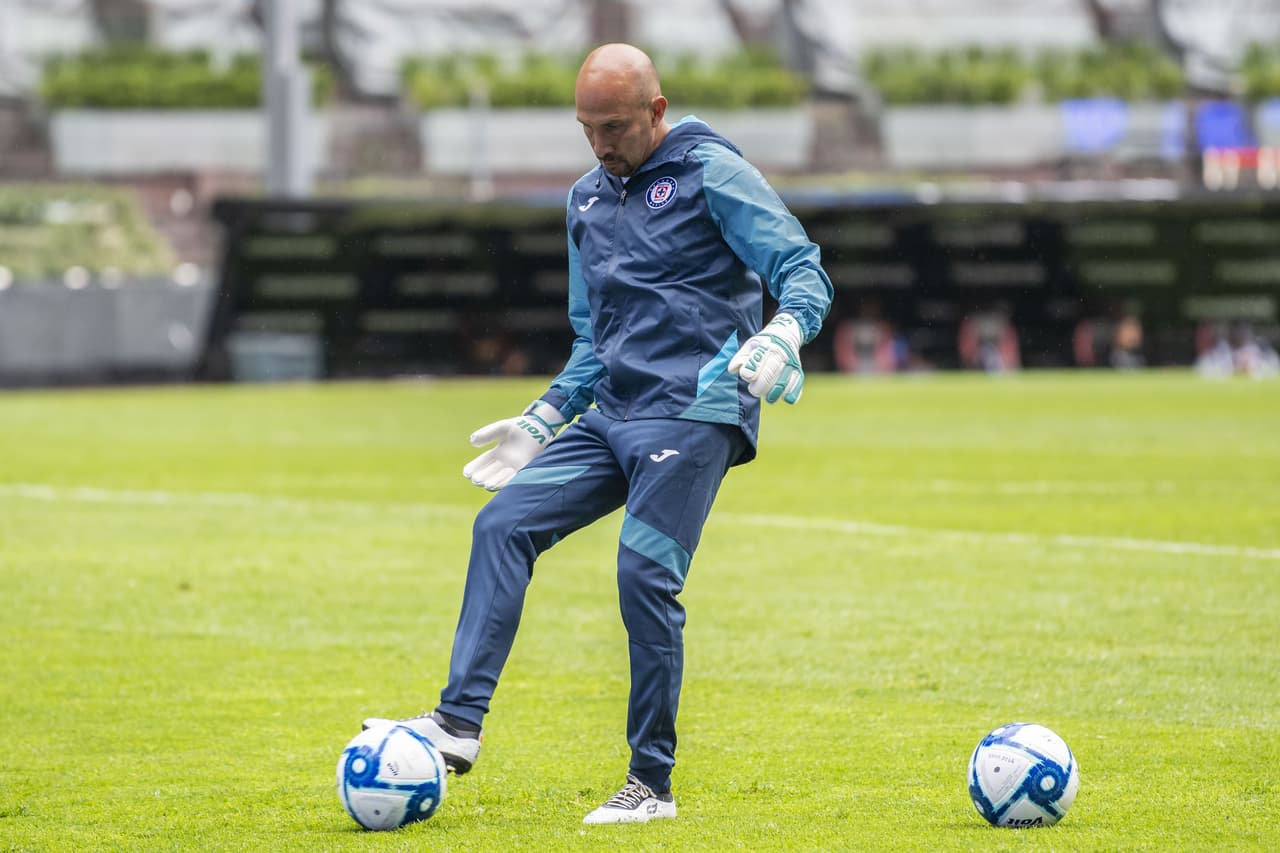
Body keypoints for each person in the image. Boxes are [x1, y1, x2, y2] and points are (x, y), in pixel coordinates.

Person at [363, 42, 833, 824]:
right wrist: (543, 417)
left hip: (695, 409)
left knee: (643, 575)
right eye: (587, 127)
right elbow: (594, 337)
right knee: (502, 524)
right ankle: (456, 724)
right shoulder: (585, 199)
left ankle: (651, 784)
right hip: (613, 413)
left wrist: (783, 334)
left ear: (656, 111)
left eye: (614, 126)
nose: (600, 143)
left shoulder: (713, 172)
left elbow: (802, 266)